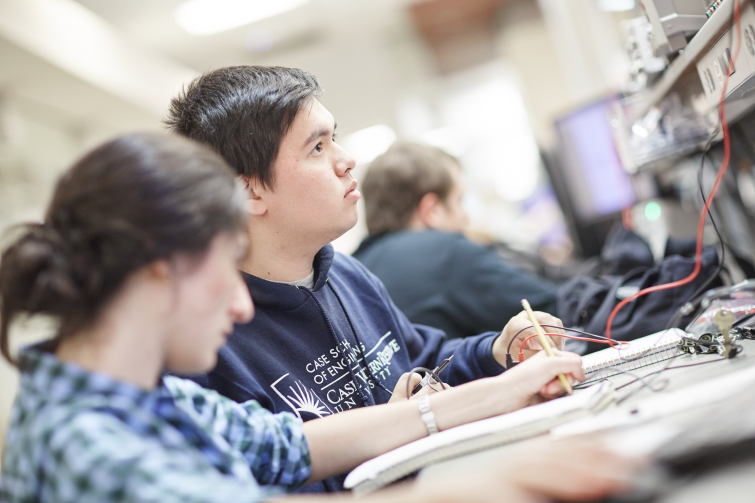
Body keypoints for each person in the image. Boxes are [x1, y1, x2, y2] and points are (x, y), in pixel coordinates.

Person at [0, 132, 638, 503]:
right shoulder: (87, 443)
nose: (241, 303)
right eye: (225, 270)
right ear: (157, 270)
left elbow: (293, 445)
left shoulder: (140, 393)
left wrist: (499, 388)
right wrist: (493, 485)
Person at [166, 66, 570, 493]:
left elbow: (423, 358)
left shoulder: (345, 273)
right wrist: (395, 435)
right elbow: (267, 479)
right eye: (317, 147)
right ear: (249, 192)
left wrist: (495, 350)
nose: (346, 160)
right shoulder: (208, 343)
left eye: (333, 137)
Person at [353, 142, 559, 340]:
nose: (466, 217)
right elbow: (556, 309)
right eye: (459, 200)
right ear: (432, 210)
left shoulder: (350, 274)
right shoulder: (445, 253)